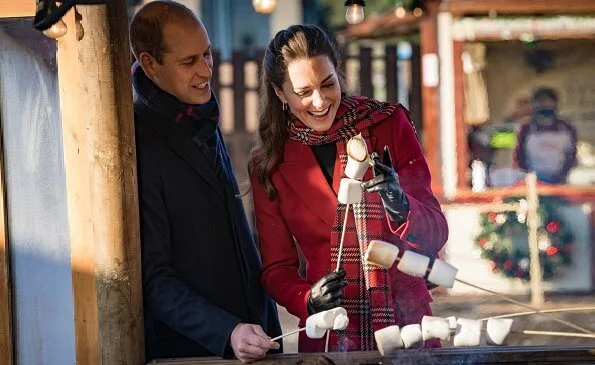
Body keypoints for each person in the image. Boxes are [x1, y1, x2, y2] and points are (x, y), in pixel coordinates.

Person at [249, 25, 448, 352]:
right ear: (280, 94)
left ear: (338, 73)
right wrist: (308, 299)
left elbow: (436, 232)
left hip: (407, 321)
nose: (319, 101)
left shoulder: (387, 124)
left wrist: (401, 205)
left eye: (328, 84)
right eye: (303, 92)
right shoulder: (268, 163)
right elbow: (276, 269)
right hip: (329, 328)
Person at [129, 1, 281, 362]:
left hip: (257, 335)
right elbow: (153, 278)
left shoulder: (198, 113)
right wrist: (226, 331)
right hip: (194, 351)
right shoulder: (136, 142)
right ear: (150, 64)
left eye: (207, 55)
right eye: (188, 62)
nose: (205, 69)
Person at [514, 87, 578, 184]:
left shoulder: (566, 128)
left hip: (562, 180)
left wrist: (563, 174)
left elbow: (572, 155)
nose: (544, 105)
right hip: (533, 182)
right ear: (534, 105)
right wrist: (529, 175)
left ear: (555, 104)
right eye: (540, 102)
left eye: (548, 101)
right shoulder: (526, 128)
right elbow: (519, 155)